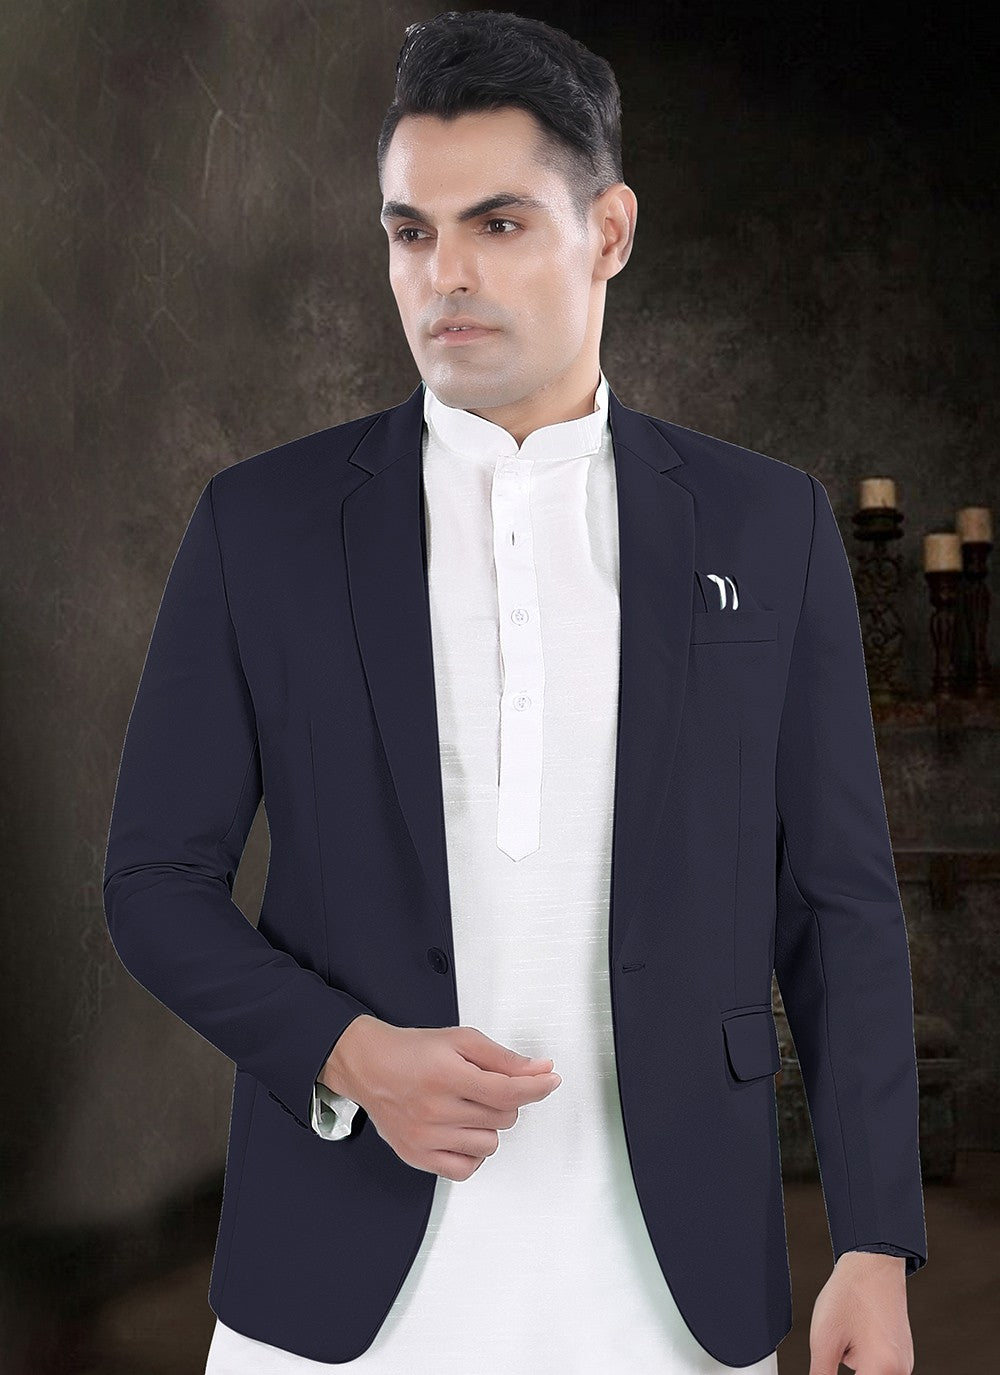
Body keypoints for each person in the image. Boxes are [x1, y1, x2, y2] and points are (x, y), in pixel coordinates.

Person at [103, 11, 926, 1373]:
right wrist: (347, 1053)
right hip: (336, 1294)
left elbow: (838, 907)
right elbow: (152, 882)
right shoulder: (263, 524)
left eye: (497, 223)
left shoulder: (763, 524)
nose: (445, 276)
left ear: (609, 231)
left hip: (671, 1294)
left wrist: (875, 1239)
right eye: (410, 232)